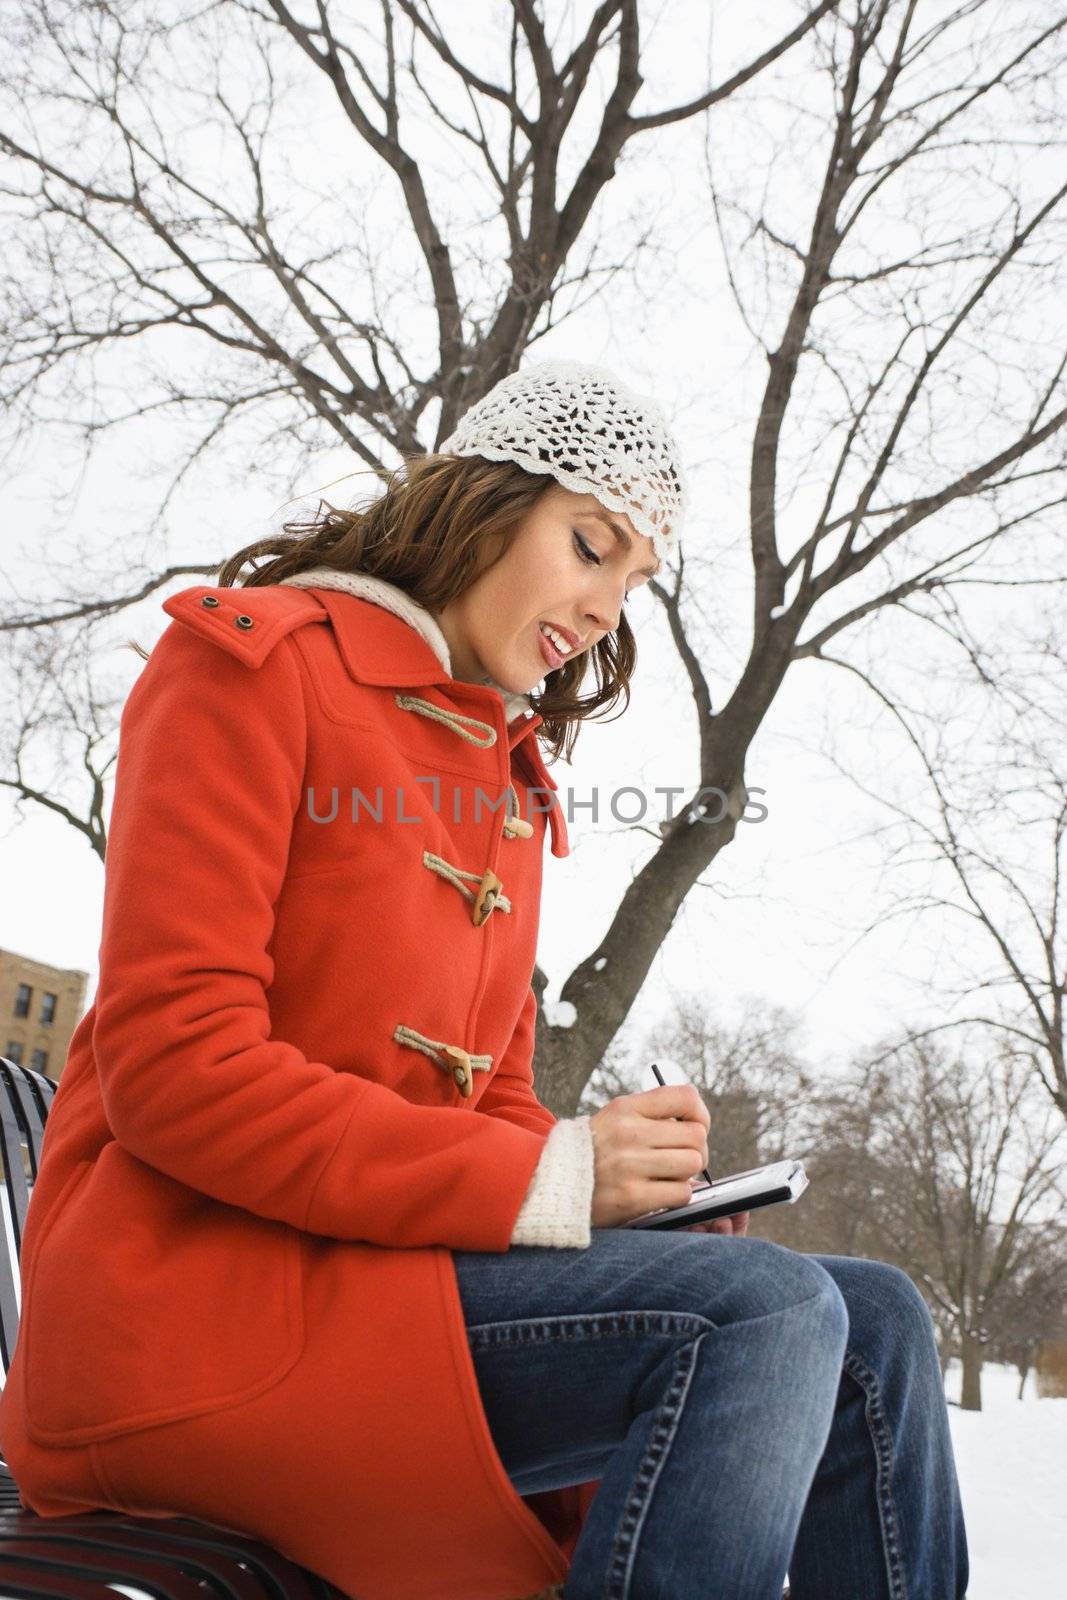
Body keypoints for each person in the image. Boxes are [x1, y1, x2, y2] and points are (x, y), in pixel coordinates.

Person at [0, 361, 969, 1600]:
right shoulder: (249, 669)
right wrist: (552, 1175)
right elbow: (175, 1070)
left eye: (632, 583)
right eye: (589, 546)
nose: (606, 608)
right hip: (190, 1316)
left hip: (382, 1281)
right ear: (484, 497)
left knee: (874, 1322)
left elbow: (487, 1104)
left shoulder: (501, 777)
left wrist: (624, 1202)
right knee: (765, 1314)